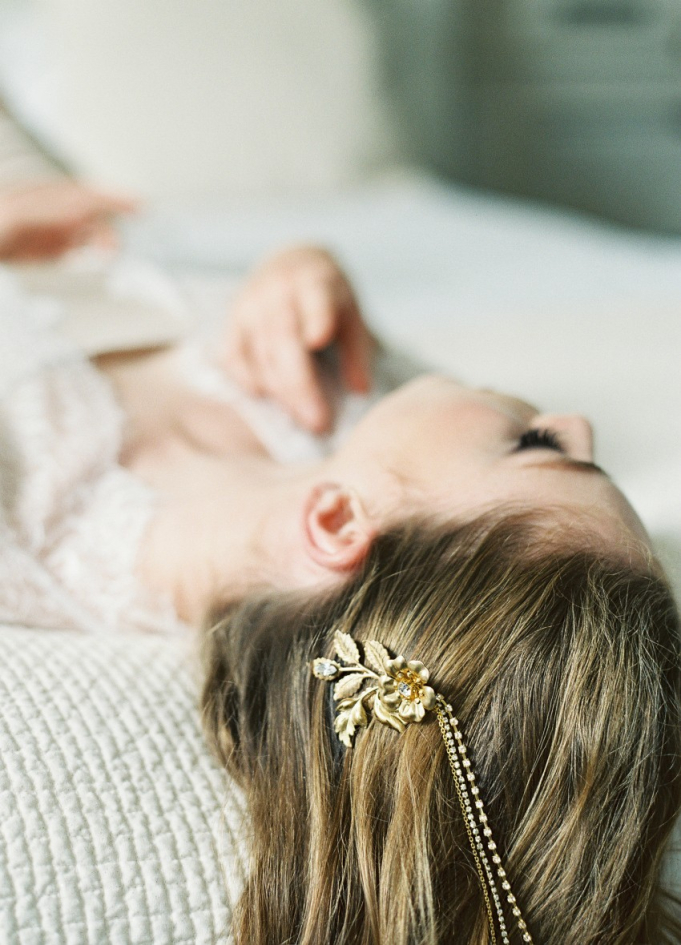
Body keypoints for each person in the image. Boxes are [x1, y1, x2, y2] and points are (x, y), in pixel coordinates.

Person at [1, 148, 680, 941]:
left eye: (536, 443)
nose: (576, 420)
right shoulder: (345, 408)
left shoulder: (34, 521)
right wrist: (295, 270)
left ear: (333, 525)